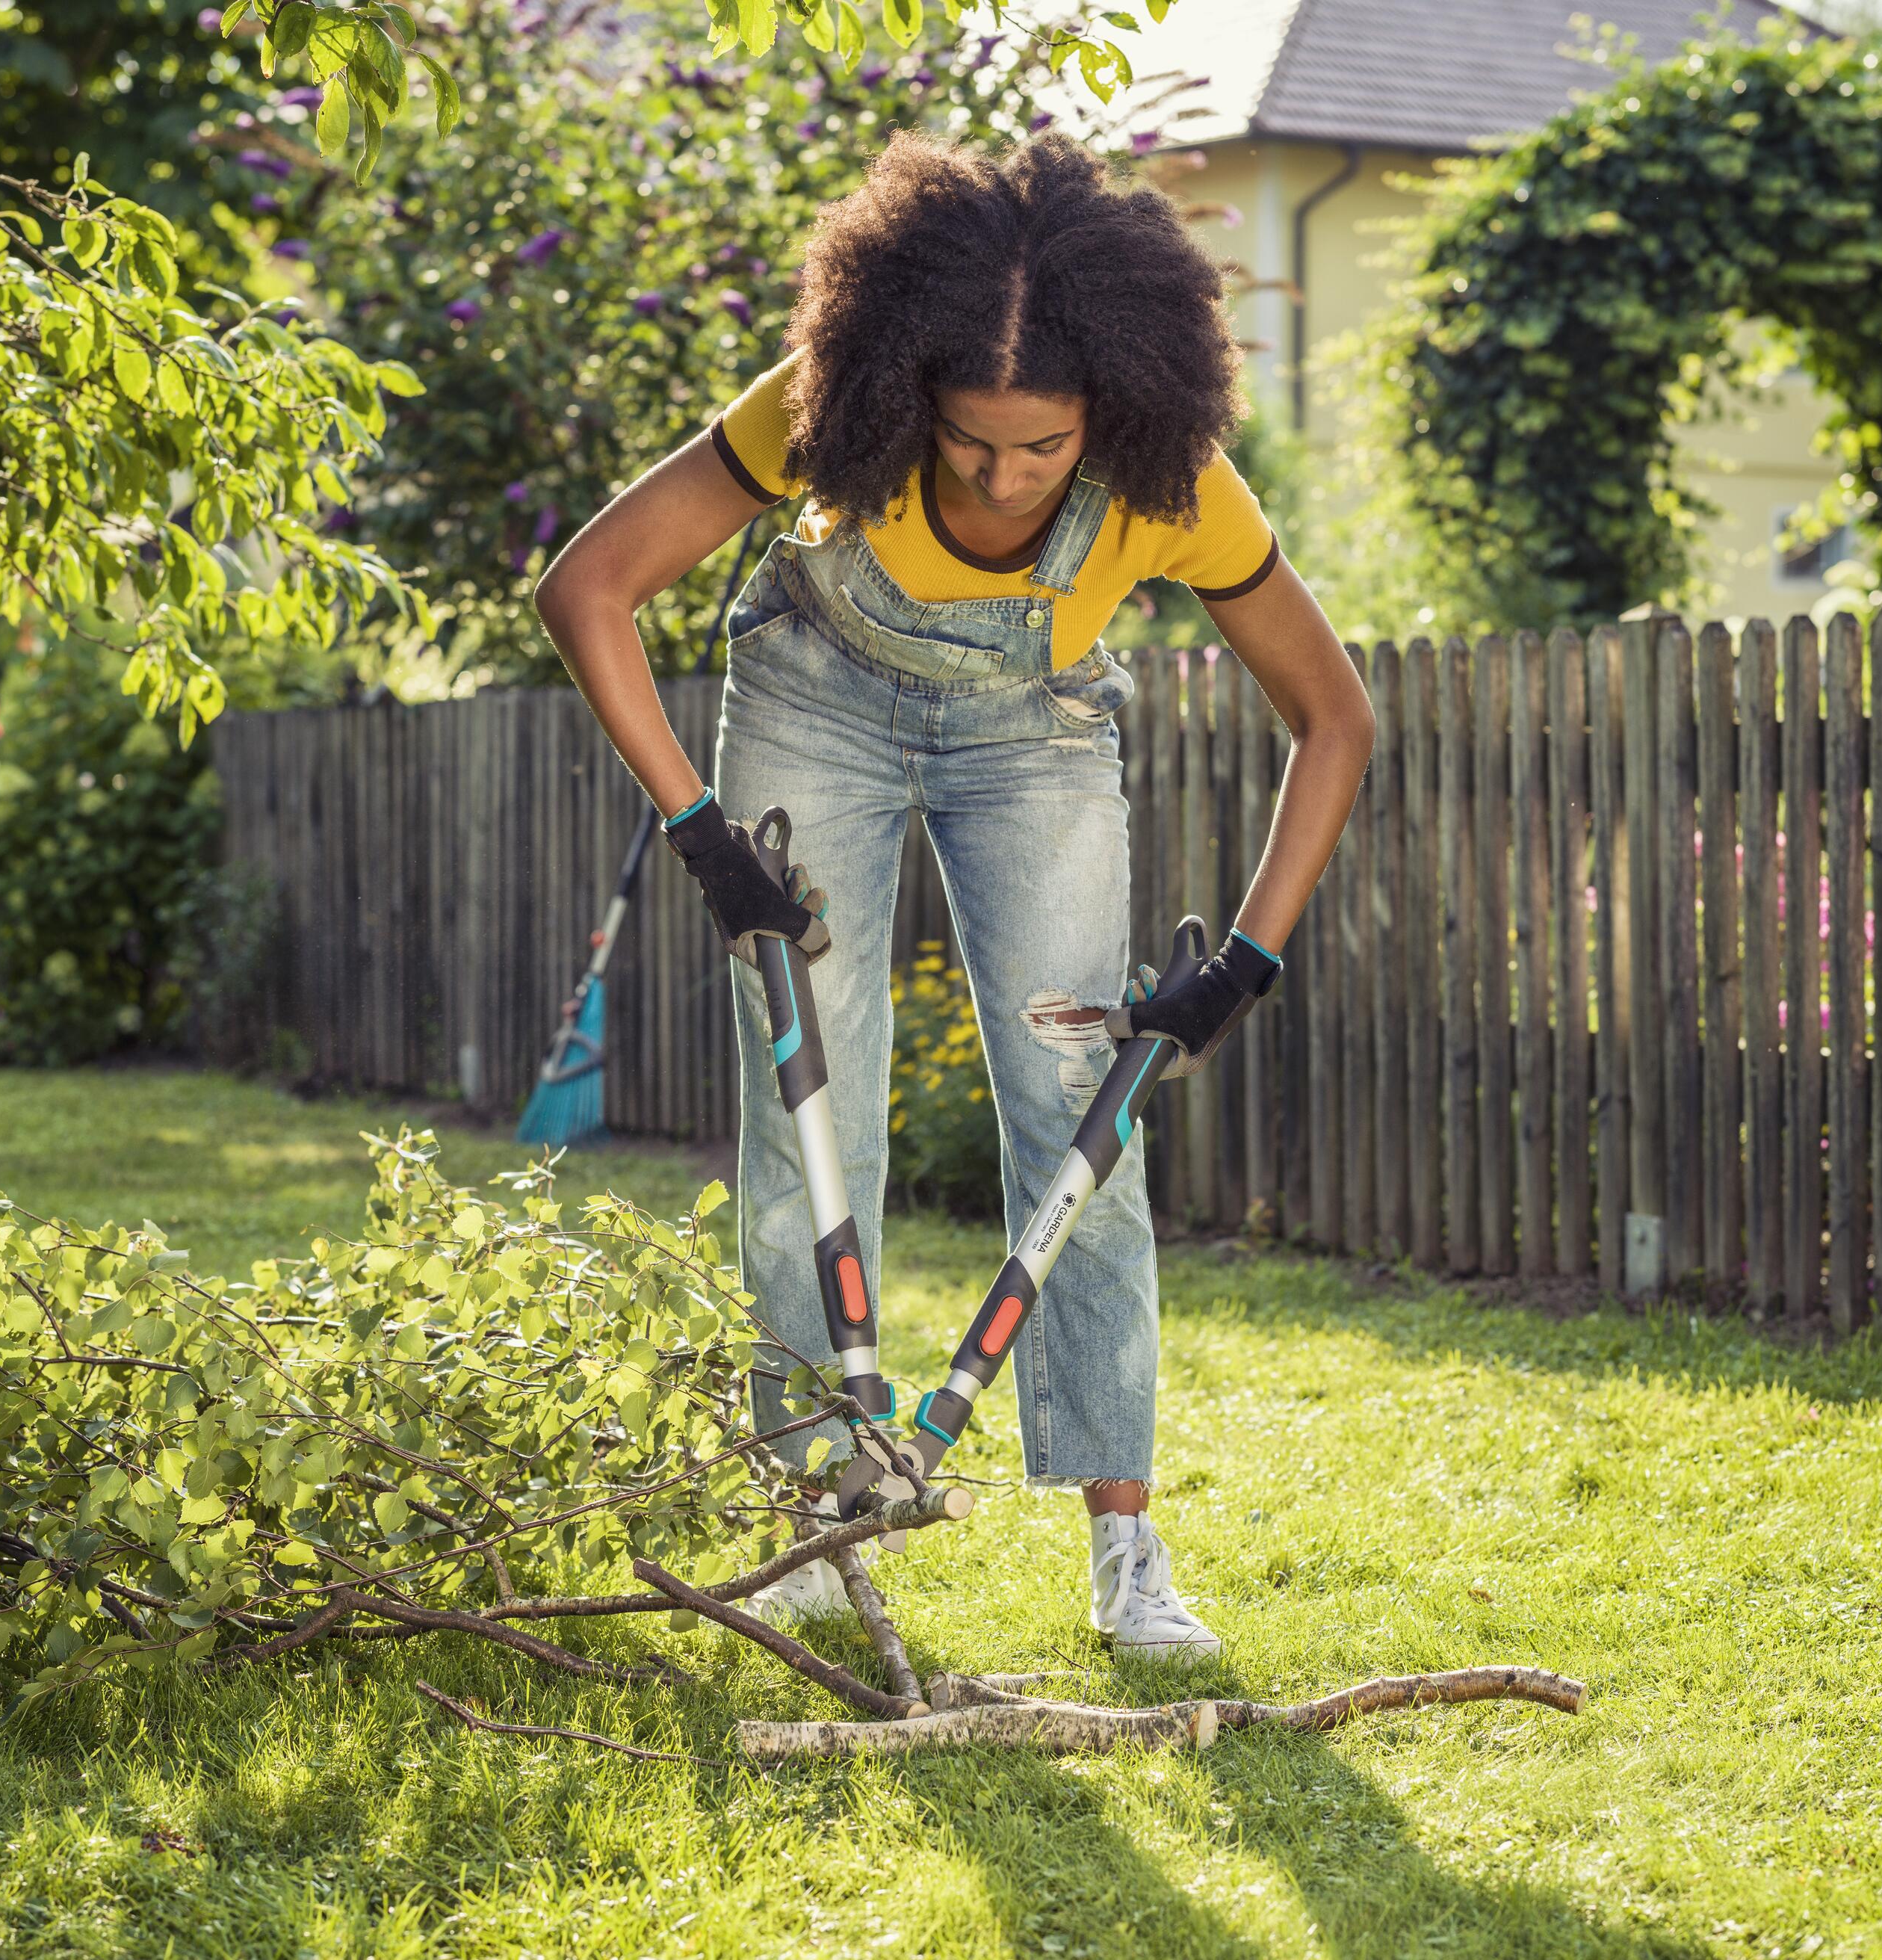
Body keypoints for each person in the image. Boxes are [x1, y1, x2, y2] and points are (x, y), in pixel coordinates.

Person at [536, 132, 1373, 1657]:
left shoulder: (1172, 483)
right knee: (808, 1119)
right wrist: (704, 836)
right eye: (967, 439)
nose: (998, 476)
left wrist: (1243, 961)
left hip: (1036, 736)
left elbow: (1335, 717)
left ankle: (1126, 1547)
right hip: (812, 708)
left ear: (1105, 416)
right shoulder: (821, 414)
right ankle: (810, 1510)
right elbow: (588, 586)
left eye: (1040, 449)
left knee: (1083, 1121)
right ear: (902, 391)